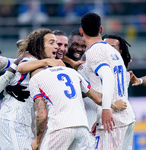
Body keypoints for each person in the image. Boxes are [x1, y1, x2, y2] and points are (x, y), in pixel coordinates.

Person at [0, 28, 65, 150]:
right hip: (14, 120)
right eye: (51, 43)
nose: (57, 47)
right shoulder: (31, 60)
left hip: (26, 122)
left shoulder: (42, 63)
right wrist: (46, 61)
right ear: (39, 46)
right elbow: (22, 66)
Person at [29, 66, 127, 150]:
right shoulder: (71, 72)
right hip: (82, 128)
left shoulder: (35, 79)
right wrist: (113, 104)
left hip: (59, 127)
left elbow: (42, 115)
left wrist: (37, 141)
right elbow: (97, 97)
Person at [79, 12, 135, 150]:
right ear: (101, 29)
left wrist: (105, 110)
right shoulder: (113, 51)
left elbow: (108, 77)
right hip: (126, 117)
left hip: (112, 121)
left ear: (81, 31)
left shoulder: (94, 52)